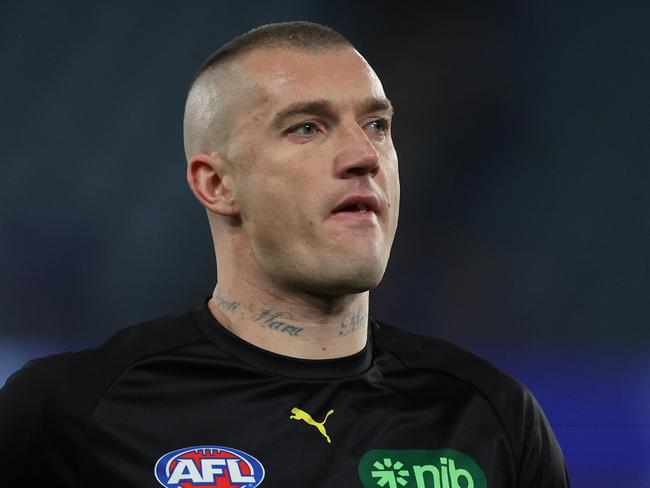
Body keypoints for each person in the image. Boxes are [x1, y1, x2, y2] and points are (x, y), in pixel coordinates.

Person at [0, 21, 569, 487]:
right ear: (216, 184)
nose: (364, 155)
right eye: (306, 127)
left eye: (377, 124)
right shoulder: (68, 411)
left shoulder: (491, 417)